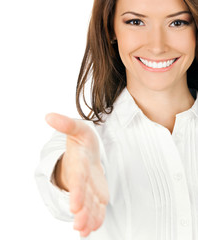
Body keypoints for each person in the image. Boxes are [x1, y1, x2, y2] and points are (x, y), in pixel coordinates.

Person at [35, 0, 198, 239]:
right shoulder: (86, 139)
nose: (157, 46)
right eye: (135, 21)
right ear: (111, 29)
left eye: (177, 22)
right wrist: (75, 171)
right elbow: (61, 186)